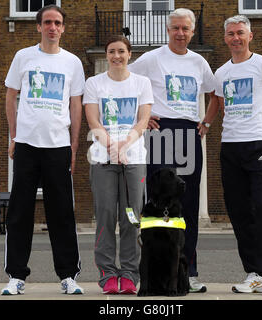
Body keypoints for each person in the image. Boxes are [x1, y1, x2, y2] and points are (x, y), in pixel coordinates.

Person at [128, 8, 216, 293]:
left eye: (185, 29)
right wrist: (142, 116)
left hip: (190, 133)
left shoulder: (199, 62)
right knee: (156, 206)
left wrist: (207, 121)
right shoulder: (151, 59)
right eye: (175, 28)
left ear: (192, 31)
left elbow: (216, 94)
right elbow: (126, 85)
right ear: (168, 30)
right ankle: (153, 274)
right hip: (159, 132)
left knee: (187, 206)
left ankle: (187, 271)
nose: (180, 33)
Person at [1, 4, 85, 295]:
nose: (52, 27)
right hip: (26, 145)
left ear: (63, 28)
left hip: (58, 146)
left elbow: (76, 105)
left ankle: (68, 276)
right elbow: (11, 97)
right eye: (47, 22)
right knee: (19, 212)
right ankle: (16, 276)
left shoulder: (72, 62)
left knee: (61, 213)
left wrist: (74, 145)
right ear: (38, 27)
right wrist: (13, 135)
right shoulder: (23, 56)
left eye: (57, 23)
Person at [204, 15, 262, 295]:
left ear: (250, 36)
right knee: (239, 212)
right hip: (231, 147)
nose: (235, 38)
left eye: (240, 33)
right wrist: (206, 124)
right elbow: (218, 102)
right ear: (225, 38)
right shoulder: (222, 72)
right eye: (230, 34)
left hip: (257, 145)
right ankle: (252, 272)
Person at [83, 35, 153, 295]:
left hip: (133, 161)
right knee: (105, 217)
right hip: (103, 160)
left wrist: (125, 145)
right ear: (106, 54)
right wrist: (113, 147)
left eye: (121, 51)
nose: (116, 56)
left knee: (131, 219)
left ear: (129, 54)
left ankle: (129, 275)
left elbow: (142, 121)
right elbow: (93, 122)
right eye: (111, 51)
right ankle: (107, 275)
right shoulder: (94, 83)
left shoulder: (142, 83)